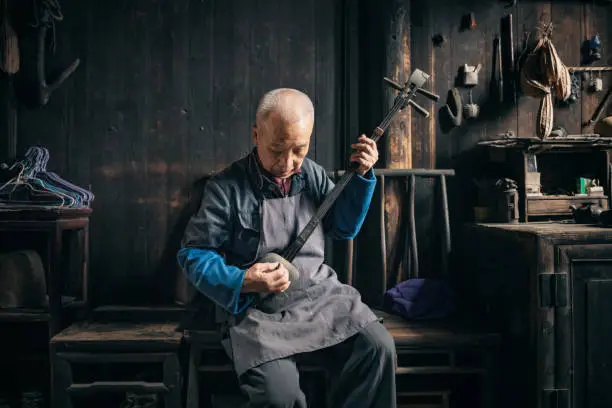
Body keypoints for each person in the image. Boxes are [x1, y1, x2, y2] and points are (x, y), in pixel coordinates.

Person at [178, 88, 396, 408]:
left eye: (300, 149)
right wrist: (243, 281)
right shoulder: (226, 188)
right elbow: (193, 254)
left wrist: (362, 177)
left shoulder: (313, 174)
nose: (289, 162)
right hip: (257, 311)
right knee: (279, 398)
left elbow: (343, 228)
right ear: (256, 134)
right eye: (278, 149)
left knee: (378, 349)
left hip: (317, 296)